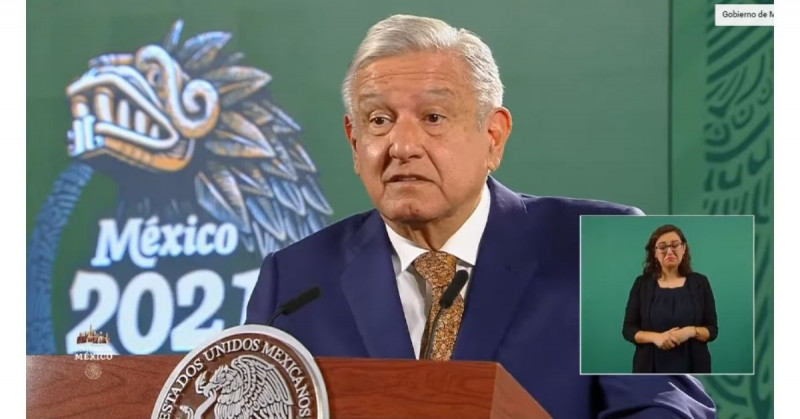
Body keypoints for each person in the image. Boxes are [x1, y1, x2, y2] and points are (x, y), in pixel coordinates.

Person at [246, 14, 716, 417]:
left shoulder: (602, 247)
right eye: (379, 121)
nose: (402, 146)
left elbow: (667, 407)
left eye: (433, 117)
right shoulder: (295, 283)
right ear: (355, 142)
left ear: (494, 136)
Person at [623, 224, 719, 374]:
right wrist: (657, 338)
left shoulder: (700, 283)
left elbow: (712, 330)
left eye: (675, 245)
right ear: (654, 253)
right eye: (662, 247)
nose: (669, 251)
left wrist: (690, 331)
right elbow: (628, 329)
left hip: (694, 367)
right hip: (650, 369)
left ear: (683, 248)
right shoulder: (642, 284)